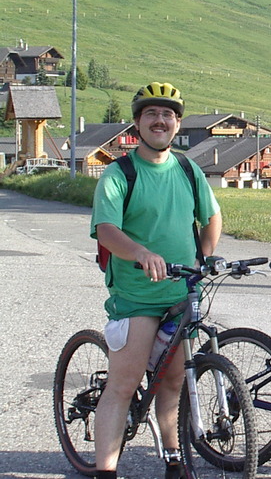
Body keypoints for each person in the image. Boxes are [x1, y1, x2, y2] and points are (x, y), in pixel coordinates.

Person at [90, 82, 222, 479]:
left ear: (177, 123)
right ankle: (105, 471)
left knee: (172, 383)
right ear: (137, 123)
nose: (160, 120)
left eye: (168, 114)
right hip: (137, 296)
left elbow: (211, 216)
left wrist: (207, 256)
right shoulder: (119, 173)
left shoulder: (187, 168)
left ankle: (172, 456)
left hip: (181, 293)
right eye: (151, 113)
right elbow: (106, 229)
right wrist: (141, 253)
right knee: (124, 384)